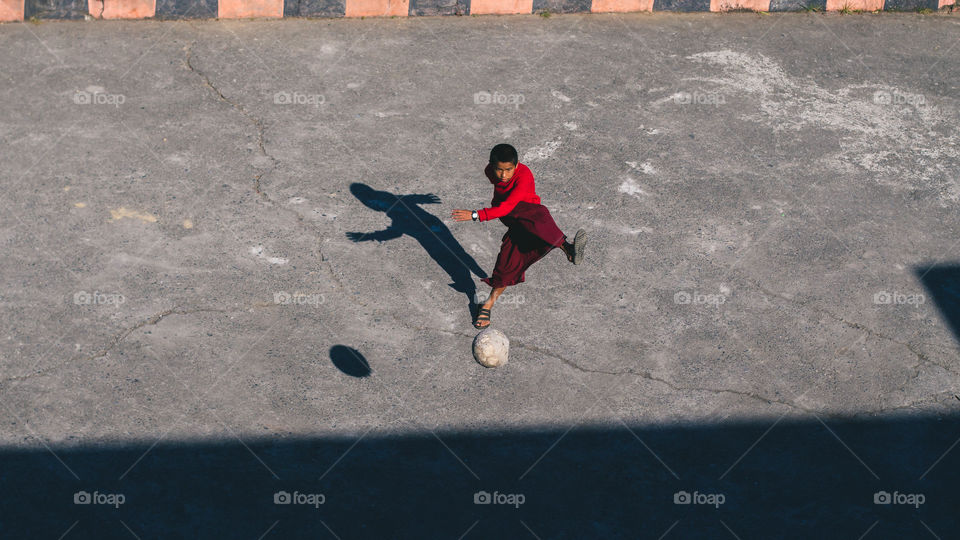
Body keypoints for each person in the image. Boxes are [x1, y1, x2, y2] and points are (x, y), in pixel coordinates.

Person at [451, 143, 586, 329]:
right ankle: (567, 248)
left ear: (516, 165)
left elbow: (508, 206)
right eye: (499, 169)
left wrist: (475, 215)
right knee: (506, 266)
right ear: (491, 166)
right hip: (513, 221)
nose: (504, 175)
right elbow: (504, 206)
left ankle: (567, 247)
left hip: (528, 216)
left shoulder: (524, 176)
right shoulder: (489, 172)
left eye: (508, 170)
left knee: (535, 221)